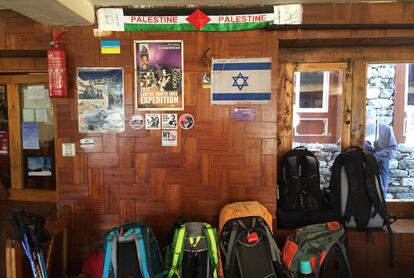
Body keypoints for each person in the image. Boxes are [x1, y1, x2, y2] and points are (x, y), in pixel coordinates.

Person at [365, 107, 397, 196]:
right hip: (363, 163)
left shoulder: (386, 129)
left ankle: (381, 209)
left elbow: (392, 150)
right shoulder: (358, 128)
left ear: (375, 118)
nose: (368, 121)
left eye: (370, 118)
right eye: (366, 119)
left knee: (382, 190)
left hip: (382, 163)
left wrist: (375, 156)